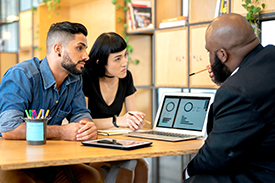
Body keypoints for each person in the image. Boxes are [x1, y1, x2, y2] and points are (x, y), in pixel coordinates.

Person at [0, 21, 103, 183]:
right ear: (58, 49)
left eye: (85, 49)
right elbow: (9, 128)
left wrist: (85, 127)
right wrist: (62, 132)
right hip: (12, 161)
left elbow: (80, 113)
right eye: (79, 48)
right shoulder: (21, 75)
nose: (86, 56)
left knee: (92, 177)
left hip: (50, 159)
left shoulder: (74, 79)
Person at [182, 13, 275, 183]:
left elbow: (217, 154)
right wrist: (229, 80)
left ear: (222, 55)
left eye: (209, 52)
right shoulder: (269, 56)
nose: (210, 58)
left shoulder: (237, 90)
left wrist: (187, 172)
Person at [82, 32, 149, 183]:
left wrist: (136, 121)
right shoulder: (87, 76)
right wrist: (117, 121)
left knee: (142, 165)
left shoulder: (126, 77)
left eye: (125, 55)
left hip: (114, 141)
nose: (125, 62)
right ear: (100, 62)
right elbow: (85, 123)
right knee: (128, 163)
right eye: (117, 59)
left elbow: (132, 115)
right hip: (90, 142)